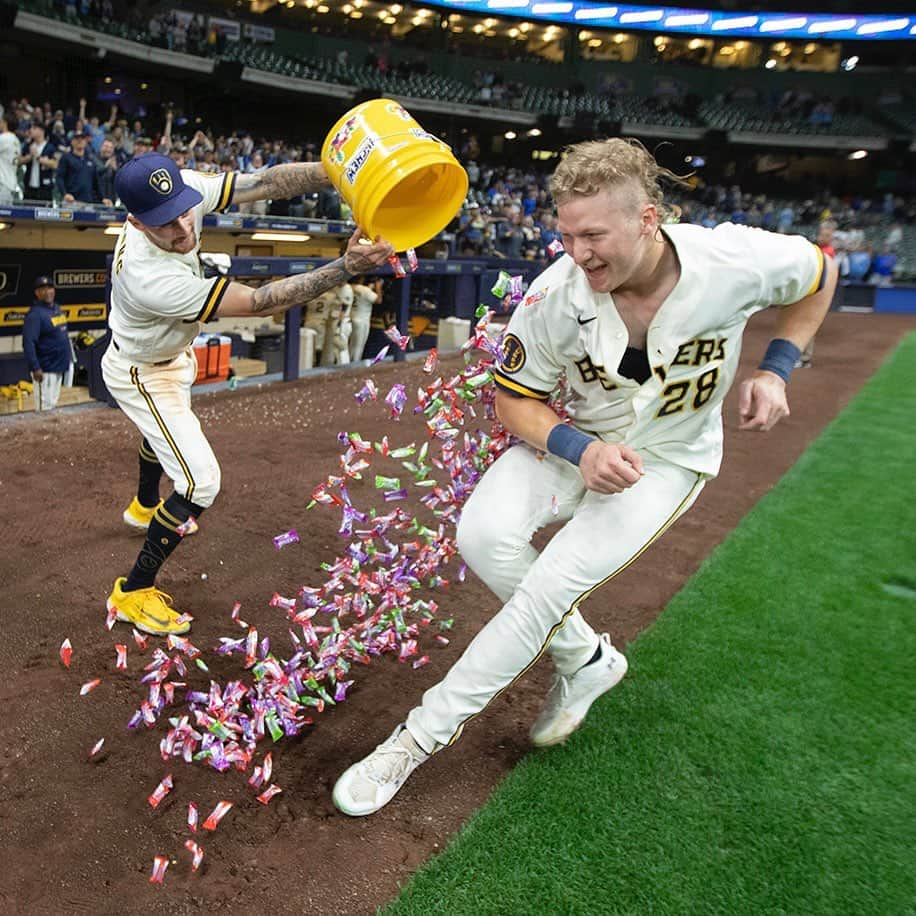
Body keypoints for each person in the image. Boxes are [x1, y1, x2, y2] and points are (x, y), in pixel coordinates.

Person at [332, 137, 837, 817]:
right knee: (482, 535)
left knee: (543, 592)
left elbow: (819, 273)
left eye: (594, 234)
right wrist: (577, 447)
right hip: (577, 440)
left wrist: (776, 368)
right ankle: (588, 660)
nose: (578, 252)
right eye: (566, 234)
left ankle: (410, 744)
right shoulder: (553, 296)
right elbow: (514, 397)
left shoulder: (733, 260)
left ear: (648, 219)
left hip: (666, 459)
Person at [103, 152, 394, 637]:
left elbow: (263, 183)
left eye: (182, 210)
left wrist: (337, 170)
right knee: (199, 483)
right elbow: (260, 302)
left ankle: (142, 504)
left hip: (171, 354)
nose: (182, 227)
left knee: (164, 437)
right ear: (135, 220)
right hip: (142, 372)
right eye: (164, 223)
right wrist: (346, 267)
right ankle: (133, 590)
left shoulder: (182, 191)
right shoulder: (147, 275)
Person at [23, 276, 74, 411]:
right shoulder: (35, 314)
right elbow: (28, 343)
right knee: (44, 408)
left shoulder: (57, 308)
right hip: (44, 369)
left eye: (50, 288)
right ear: (37, 293)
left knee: (52, 404)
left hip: (59, 366)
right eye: (43, 289)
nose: (48, 292)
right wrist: (35, 367)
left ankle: (51, 432)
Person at [0, 115, 20, 203]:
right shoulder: (16, 140)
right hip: (11, 183)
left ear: (5, 123)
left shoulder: (4, 138)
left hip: (2, 182)